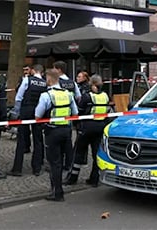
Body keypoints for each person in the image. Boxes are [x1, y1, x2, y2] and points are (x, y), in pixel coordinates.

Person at [35, 68, 78, 201]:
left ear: (48, 79)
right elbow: (75, 113)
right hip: (66, 131)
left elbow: (37, 116)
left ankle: (57, 192)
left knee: (55, 163)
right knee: (63, 160)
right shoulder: (68, 94)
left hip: (52, 132)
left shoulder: (46, 96)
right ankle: (58, 189)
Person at [65, 74, 111, 187]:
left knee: (78, 152)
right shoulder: (106, 96)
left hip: (86, 127)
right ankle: (94, 179)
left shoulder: (87, 97)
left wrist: (77, 125)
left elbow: (79, 111)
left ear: (92, 85)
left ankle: (72, 178)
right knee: (96, 154)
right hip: (100, 127)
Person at [8, 64, 47, 177]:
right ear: (42, 72)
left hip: (26, 111)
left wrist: (16, 113)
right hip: (39, 113)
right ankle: (37, 168)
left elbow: (19, 97)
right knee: (38, 140)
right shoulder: (45, 83)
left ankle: (17, 168)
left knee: (22, 139)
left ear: (33, 71)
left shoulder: (27, 80)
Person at [52, 61, 81, 171]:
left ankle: (59, 163)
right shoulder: (72, 82)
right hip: (69, 115)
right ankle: (69, 163)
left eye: (54, 68)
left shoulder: (57, 82)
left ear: (59, 70)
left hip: (56, 117)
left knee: (56, 143)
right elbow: (78, 97)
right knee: (68, 142)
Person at [14, 64, 32, 153]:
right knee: (24, 128)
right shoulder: (22, 79)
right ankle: (26, 146)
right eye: (24, 70)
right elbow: (17, 89)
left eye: (27, 69)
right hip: (24, 105)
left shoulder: (33, 79)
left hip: (32, 105)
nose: (25, 71)